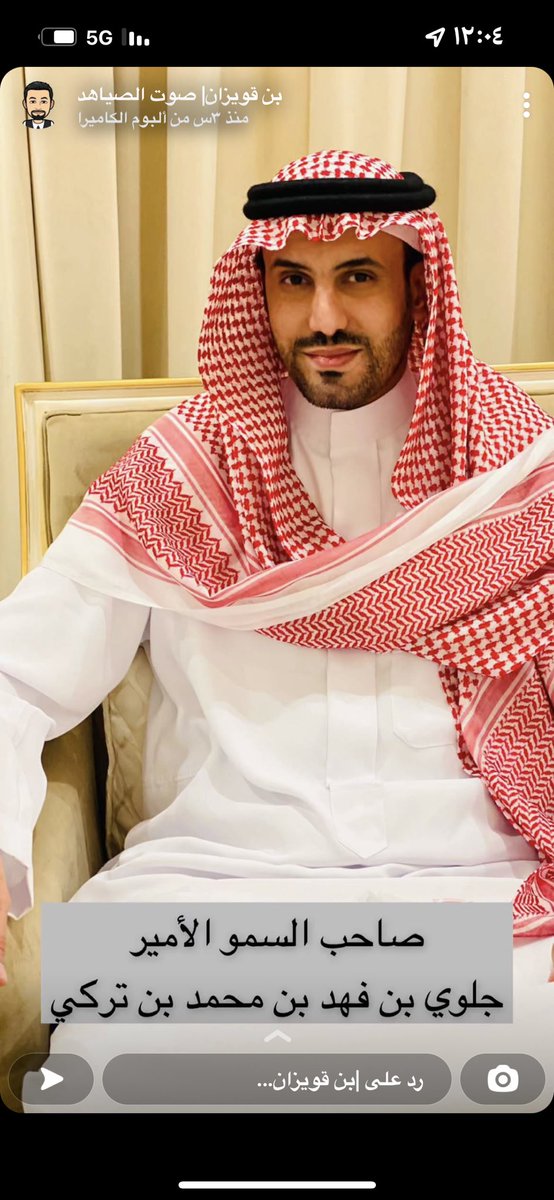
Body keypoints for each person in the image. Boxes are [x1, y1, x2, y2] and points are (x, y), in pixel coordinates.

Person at [1, 148, 554, 1017]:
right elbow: (18, 670)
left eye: (359, 276)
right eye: (294, 281)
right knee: (121, 1055)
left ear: (419, 285)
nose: (323, 317)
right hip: (208, 899)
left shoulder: (512, 471)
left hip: (485, 892)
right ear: (257, 292)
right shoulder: (183, 477)